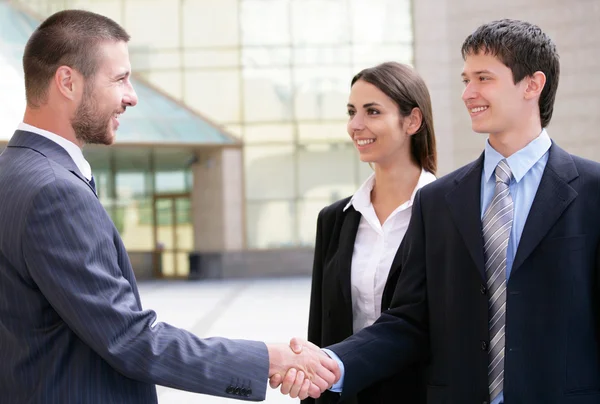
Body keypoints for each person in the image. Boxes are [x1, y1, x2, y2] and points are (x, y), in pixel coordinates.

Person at [0, 9, 338, 403]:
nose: (132, 95)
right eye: (121, 78)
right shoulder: (55, 191)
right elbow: (128, 338)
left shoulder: (13, 172)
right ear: (68, 81)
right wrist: (267, 359)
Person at [276, 18, 600, 403]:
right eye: (466, 80)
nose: (468, 93)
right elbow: (409, 319)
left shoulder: (593, 191)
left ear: (532, 84)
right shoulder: (439, 201)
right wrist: (333, 362)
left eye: (483, 78)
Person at [304, 61, 436, 404]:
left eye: (372, 111)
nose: (355, 125)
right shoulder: (334, 220)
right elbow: (320, 332)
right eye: (351, 112)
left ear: (412, 120)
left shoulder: (451, 215)